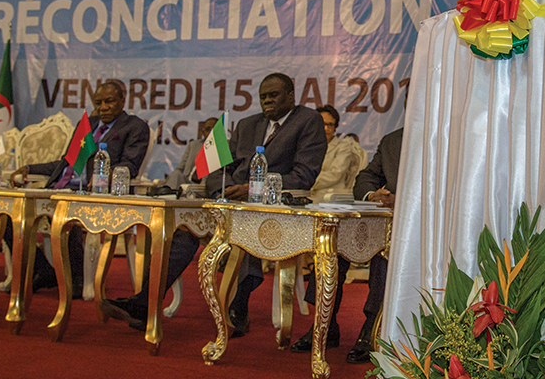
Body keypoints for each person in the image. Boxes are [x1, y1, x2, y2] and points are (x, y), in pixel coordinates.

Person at [100, 72, 327, 334]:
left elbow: (304, 175)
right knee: (179, 231)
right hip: (229, 202)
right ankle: (145, 302)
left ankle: (238, 307)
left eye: (274, 96)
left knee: (246, 232)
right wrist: (226, 187)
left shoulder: (308, 121)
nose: (267, 102)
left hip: (272, 208)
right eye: (263, 97)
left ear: (291, 96)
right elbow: (215, 166)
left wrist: (254, 189)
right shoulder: (247, 125)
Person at [8, 81, 150, 296]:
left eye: (109, 101)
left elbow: (131, 165)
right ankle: (43, 269)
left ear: (123, 100)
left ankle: (76, 278)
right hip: (62, 187)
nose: (103, 107)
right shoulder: (88, 123)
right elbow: (67, 162)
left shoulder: (134, 126)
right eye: (98, 102)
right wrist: (29, 168)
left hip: (98, 193)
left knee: (66, 213)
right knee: (10, 214)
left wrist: (107, 175)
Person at [291, 125, 402, 363]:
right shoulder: (393, 139)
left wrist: (402, 197)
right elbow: (366, 177)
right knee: (332, 242)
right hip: (381, 218)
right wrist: (372, 195)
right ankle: (325, 323)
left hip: (416, 225)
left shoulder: (443, 135)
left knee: (384, 253)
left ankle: (372, 328)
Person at [310, 105, 367, 200]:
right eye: (323, 124)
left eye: (330, 125)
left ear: (335, 127)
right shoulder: (308, 145)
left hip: (330, 195)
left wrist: (309, 181)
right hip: (307, 191)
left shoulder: (343, 146)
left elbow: (335, 174)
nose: (326, 128)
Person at [163, 117, 217, 188]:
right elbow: (180, 168)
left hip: (206, 185)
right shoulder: (193, 145)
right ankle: (167, 192)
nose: (210, 132)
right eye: (207, 129)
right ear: (203, 132)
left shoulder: (225, 147)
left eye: (214, 129)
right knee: (177, 173)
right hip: (187, 181)